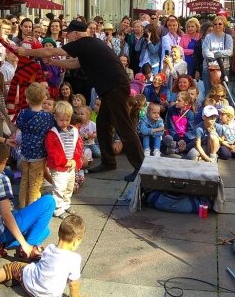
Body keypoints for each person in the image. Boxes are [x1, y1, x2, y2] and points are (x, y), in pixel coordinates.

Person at [17, 20, 144, 182]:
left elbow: (50, 51)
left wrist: (25, 52)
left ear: (76, 34)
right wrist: (55, 62)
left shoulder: (82, 43)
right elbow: (75, 63)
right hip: (111, 88)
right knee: (103, 125)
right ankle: (109, 161)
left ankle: (140, 166)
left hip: (115, 88)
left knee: (123, 127)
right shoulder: (90, 44)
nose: (67, 37)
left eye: (68, 34)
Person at [0, 213, 90, 297]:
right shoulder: (75, 259)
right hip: (51, 295)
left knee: (13, 266)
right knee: (33, 266)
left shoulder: (50, 248)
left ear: (59, 234)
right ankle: (12, 280)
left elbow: (42, 257)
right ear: (77, 241)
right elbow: (73, 283)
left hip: (33, 288)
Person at [0, 143, 55, 260]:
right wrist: (24, 244)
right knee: (49, 201)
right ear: (5, 161)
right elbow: (6, 215)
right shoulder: (1, 179)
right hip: (2, 230)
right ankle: (27, 249)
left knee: (45, 231)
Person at [15, 83, 54, 208]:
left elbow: (19, 125)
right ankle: (32, 208)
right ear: (43, 99)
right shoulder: (46, 117)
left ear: (27, 99)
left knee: (24, 180)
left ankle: (22, 205)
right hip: (38, 154)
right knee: (35, 183)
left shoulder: (22, 113)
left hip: (24, 152)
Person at [44, 101, 83, 218]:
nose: (64, 123)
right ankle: (58, 208)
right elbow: (52, 151)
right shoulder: (53, 133)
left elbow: (78, 146)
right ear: (55, 117)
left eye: (67, 120)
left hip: (70, 165)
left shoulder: (74, 131)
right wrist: (64, 161)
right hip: (59, 166)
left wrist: (75, 160)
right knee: (59, 188)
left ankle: (66, 204)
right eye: (61, 120)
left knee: (69, 186)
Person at [202, 15, 233, 92]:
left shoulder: (228, 37)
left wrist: (213, 52)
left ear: (224, 26)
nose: (217, 26)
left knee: (222, 92)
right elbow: (205, 53)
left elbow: (229, 51)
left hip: (223, 68)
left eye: (220, 24)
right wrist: (219, 54)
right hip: (209, 68)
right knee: (209, 92)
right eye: (215, 24)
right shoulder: (208, 37)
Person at [162, 91, 196, 156]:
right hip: (174, 136)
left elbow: (191, 131)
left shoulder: (190, 113)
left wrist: (183, 140)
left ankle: (176, 150)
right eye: (176, 100)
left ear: (186, 103)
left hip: (185, 138)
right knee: (168, 138)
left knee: (195, 141)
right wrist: (179, 140)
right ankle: (182, 148)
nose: (176, 102)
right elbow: (171, 128)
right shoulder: (171, 110)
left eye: (179, 101)